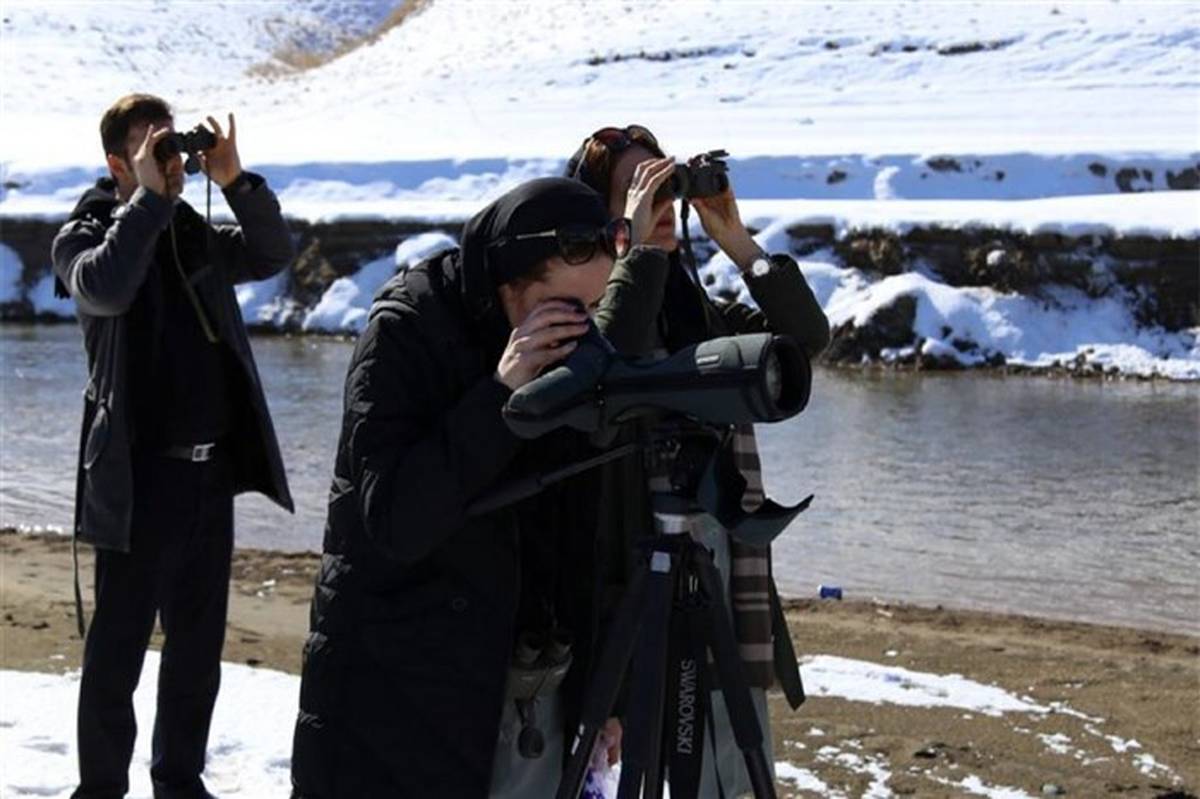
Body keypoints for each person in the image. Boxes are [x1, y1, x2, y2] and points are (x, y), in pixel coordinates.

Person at [290, 177, 637, 798]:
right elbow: (395, 521)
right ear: (506, 282)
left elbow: (580, 538)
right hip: (384, 686)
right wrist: (501, 395)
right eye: (560, 307)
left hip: (498, 687)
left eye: (591, 308)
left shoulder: (571, 354)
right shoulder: (404, 331)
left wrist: (598, 693)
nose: (575, 329)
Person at [565, 124, 831, 797]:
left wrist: (735, 240)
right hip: (631, 588)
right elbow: (606, 366)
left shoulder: (696, 312)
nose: (658, 206)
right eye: (639, 190)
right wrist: (631, 249)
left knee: (729, 775)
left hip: (718, 574)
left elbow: (804, 341)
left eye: (665, 186)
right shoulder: (577, 319)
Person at [51, 93, 296, 799]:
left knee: (196, 650)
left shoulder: (191, 229)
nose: (169, 161)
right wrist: (148, 202)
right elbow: (105, 287)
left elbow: (271, 253)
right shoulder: (83, 235)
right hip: (137, 478)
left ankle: (179, 781)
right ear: (115, 163)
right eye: (150, 148)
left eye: (171, 146)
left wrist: (235, 181)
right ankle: (101, 788)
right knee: (116, 653)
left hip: (208, 475)